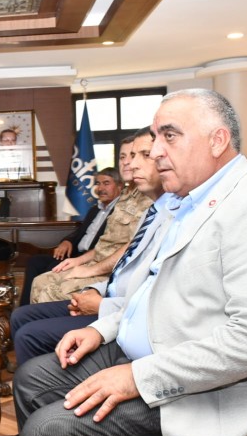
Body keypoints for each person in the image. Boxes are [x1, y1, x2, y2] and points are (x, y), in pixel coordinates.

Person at [0, 89, 247, 436]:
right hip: (150, 352)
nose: (155, 151)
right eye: (156, 137)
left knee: (47, 433)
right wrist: (101, 328)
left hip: (211, 390)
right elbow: (146, 291)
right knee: (33, 379)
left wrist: (137, 377)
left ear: (217, 140)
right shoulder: (184, 203)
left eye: (169, 136)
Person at [9, 130, 164, 365]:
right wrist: (93, 283)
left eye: (144, 155)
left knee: (40, 307)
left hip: (118, 300)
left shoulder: (159, 207)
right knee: (30, 299)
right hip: (106, 284)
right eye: (126, 156)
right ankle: (41, 361)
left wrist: (97, 290)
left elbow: (131, 262)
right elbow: (98, 241)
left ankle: (47, 363)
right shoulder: (132, 201)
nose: (131, 164)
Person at [28, 133, 153, 303]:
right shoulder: (125, 195)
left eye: (134, 155)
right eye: (122, 157)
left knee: (50, 292)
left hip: (112, 271)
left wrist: (90, 270)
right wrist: (78, 261)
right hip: (95, 262)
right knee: (39, 282)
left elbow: (132, 247)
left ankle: (44, 321)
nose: (126, 162)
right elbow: (105, 243)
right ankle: (29, 319)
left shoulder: (149, 197)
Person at [18, 167, 123, 306]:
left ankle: (40, 309)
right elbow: (80, 232)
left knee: (52, 267)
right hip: (75, 254)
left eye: (106, 183)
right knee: (34, 261)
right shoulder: (95, 209)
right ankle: (24, 308)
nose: (100, 188)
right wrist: (67, 241)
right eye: (98, 183)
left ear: (120, 186)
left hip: (92, 259)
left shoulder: (119, 213)